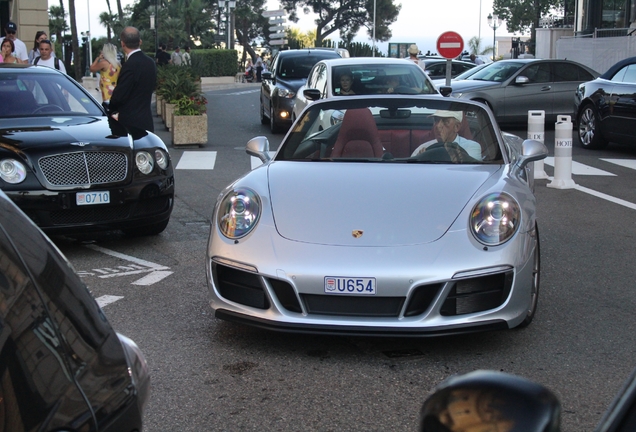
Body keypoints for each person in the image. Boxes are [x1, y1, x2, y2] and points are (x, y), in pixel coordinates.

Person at [109, 27, 157, 132]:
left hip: (129, 123)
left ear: (122, 44)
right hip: (146, 120)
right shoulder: (150, 63)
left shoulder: (129, 65)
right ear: (140, 42)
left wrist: (111, 109)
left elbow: (119, 95)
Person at [411, 110, 482, 160]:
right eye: (436, 120)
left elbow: (469, 173)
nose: (438, 126)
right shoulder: (422, 148)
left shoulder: (471, 147)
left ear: (456, 127)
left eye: (445, 121)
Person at [90, 42, 121, 108]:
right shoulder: (117, 64)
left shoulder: (104, 63)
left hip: (107, 91)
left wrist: (98, 58)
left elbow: (92, 69)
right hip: (116, 91)